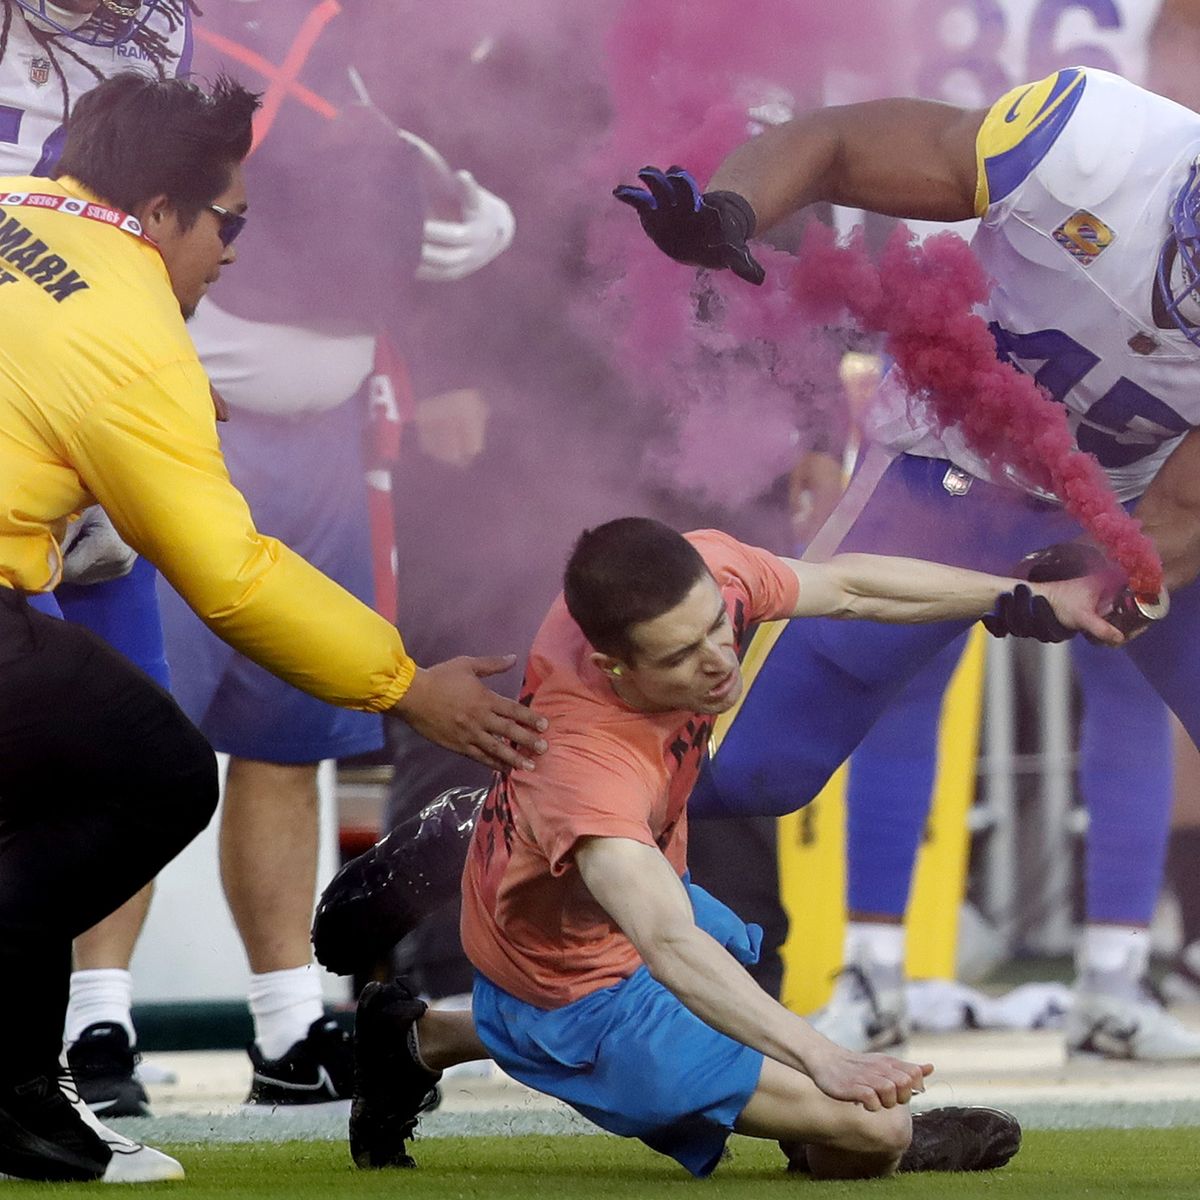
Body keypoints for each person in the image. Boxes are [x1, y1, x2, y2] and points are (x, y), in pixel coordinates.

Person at [0, 68, 545, 1183]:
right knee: (152, 771)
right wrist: (405, 683)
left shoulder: (14, 209)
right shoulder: (132, 326)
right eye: (228, 222)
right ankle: (15, 1096)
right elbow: (233, 577)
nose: (235, 255)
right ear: (158, 213)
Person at [611, 61, 1200, 1060]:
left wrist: (1103, 580)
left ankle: (1115, 977)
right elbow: (838, 142)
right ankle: (512, 817)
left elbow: (1183, 521)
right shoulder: (1090, 142)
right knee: (756, 765)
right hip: (954, 465)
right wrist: (734, 208)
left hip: (1139, 496)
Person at [342, 517, 1117, 1177]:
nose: (719, 660)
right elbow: (670, 944)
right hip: (576, 977)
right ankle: (811, 1126)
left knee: (723, 970)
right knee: (871, 1132)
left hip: (602, 883)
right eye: (680, 657)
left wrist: (1025, 597)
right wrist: (824, 1059)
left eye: (719, 626)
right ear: (614, 666)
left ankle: (411, 1035)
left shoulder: (702, 574)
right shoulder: (585, 769)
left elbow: (849, 587)